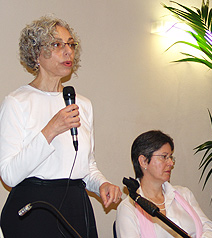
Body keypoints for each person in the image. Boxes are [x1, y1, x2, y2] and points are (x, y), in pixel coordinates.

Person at [0, 15, 122, 237]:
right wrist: (50, 130)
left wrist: (102, 184)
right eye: (57, 44)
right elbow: (8, 175)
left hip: (76, 208)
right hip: (33, 209)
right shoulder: (17, 102)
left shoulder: (82, 103)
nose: (68, 51)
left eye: (71, 44)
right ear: (36, 53)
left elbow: (86, 165)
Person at [115, 130, 212, 238]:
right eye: (164, 157)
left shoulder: (184, 194)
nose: (171, 163)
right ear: (143, 161)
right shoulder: (128, 208)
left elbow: (208, 227)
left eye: (171, 157)